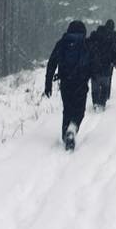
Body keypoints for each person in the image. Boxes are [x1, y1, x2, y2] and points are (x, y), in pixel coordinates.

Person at [44, 20, 93, 150]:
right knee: (79, 111)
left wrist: (48, 83)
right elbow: (93, 64)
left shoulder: (62, 43)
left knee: (68, 109)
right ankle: (72, 129)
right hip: (81, 83)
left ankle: (66, 135)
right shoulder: (86, 44)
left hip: (65, 83)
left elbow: (52, 63)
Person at [88, 19, 116, 110]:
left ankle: (95, 101)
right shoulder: (114, 36)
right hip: (107, 63)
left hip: (95, 63)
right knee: (106, 80)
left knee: (95, 82)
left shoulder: (95, 34)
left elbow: (88, 46)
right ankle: (103, 99)